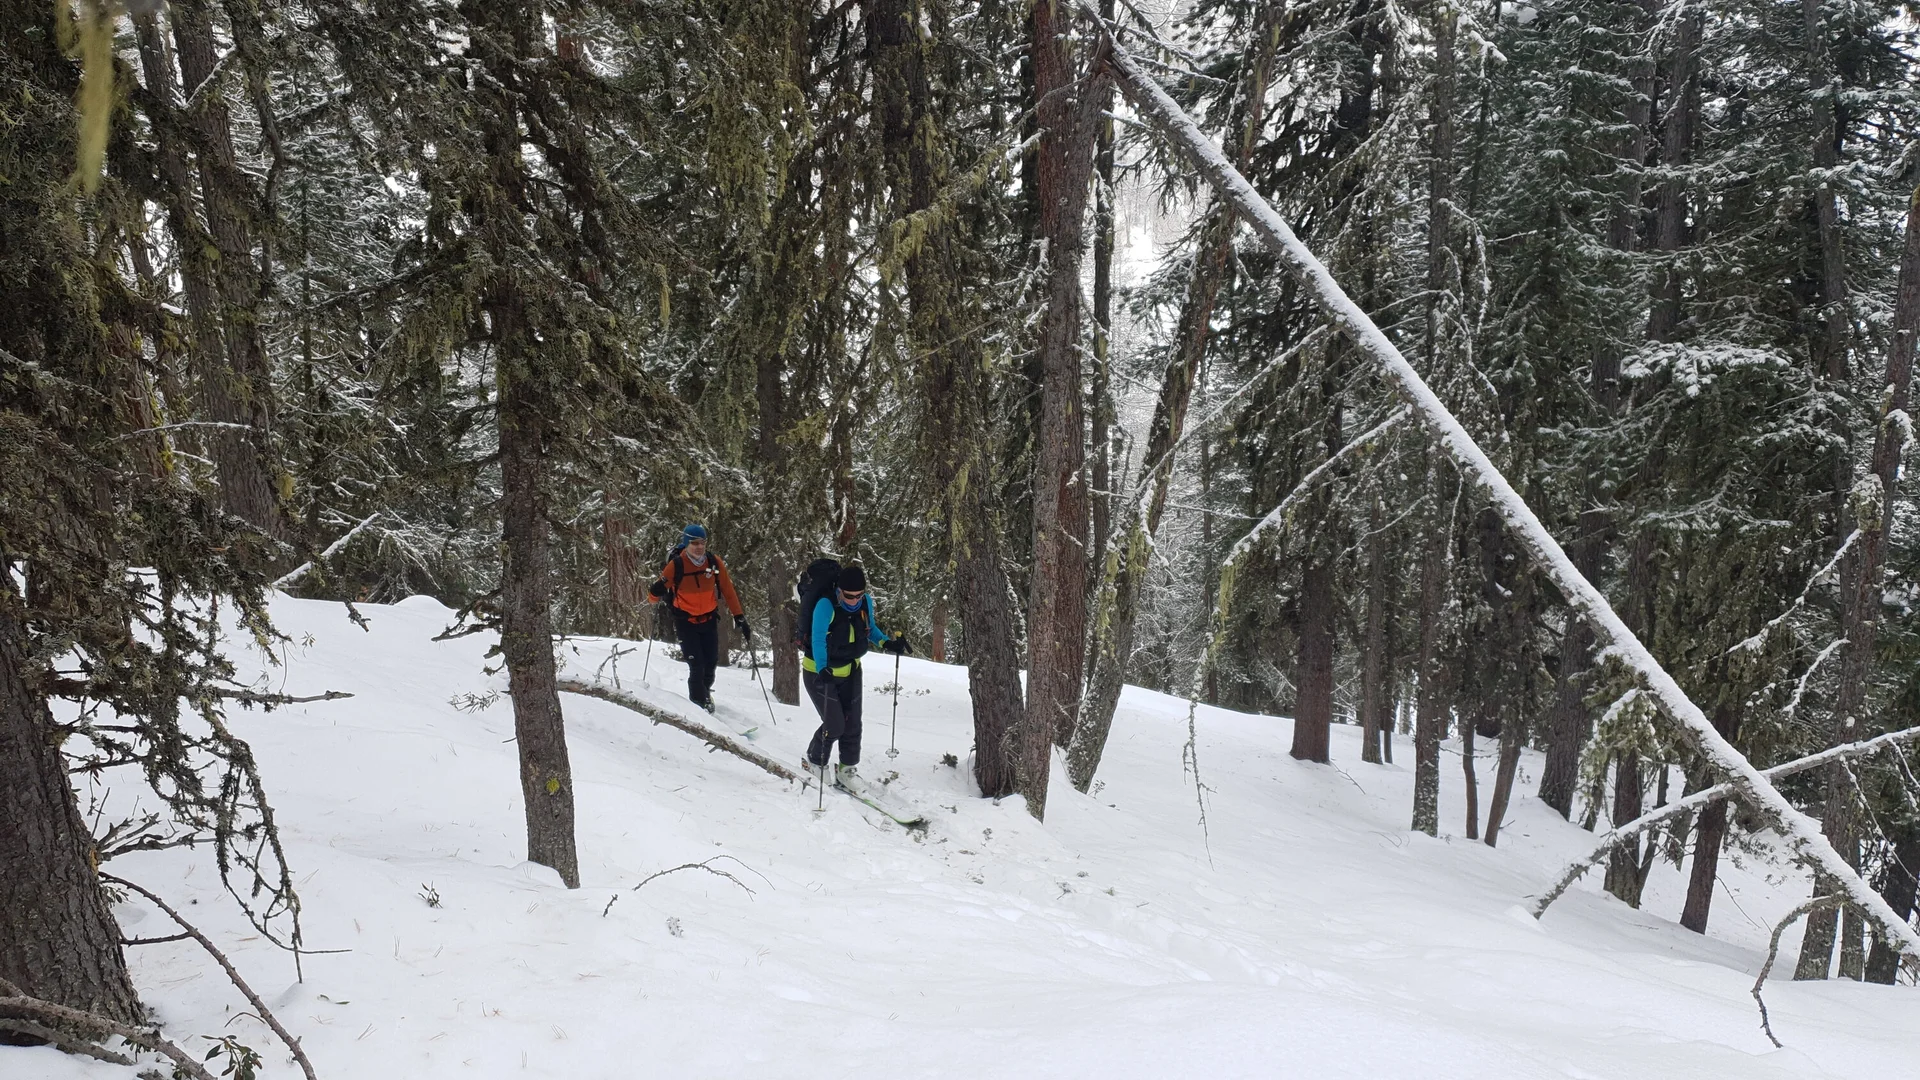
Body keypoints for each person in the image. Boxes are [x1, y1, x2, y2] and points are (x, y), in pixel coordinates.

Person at [800, 562, 910, 785]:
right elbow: (818, 638)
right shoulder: (825, 605)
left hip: (851, 670)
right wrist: (822, 667)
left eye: (859, 595)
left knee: (852, 725)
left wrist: (887, 643)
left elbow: (870, 629)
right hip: (820, 673)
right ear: (839, 591)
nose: (854, 600)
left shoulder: (864, 603)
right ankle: (815, 760)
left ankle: (847, 769)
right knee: (834, 724)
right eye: (849, 596)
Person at [647, 524, 750, 711]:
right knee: (697, 666)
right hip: (685, 622)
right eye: (694, 543)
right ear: (686, 543)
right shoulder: (676, 565)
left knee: (710, 664)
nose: (699, 547)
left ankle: (705, 694)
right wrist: (655, 592)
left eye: (702, 543)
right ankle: (699, 705)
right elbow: (654, 596)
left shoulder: (714, 562)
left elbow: (728, 590)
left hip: (709, 620)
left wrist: (739, 616)